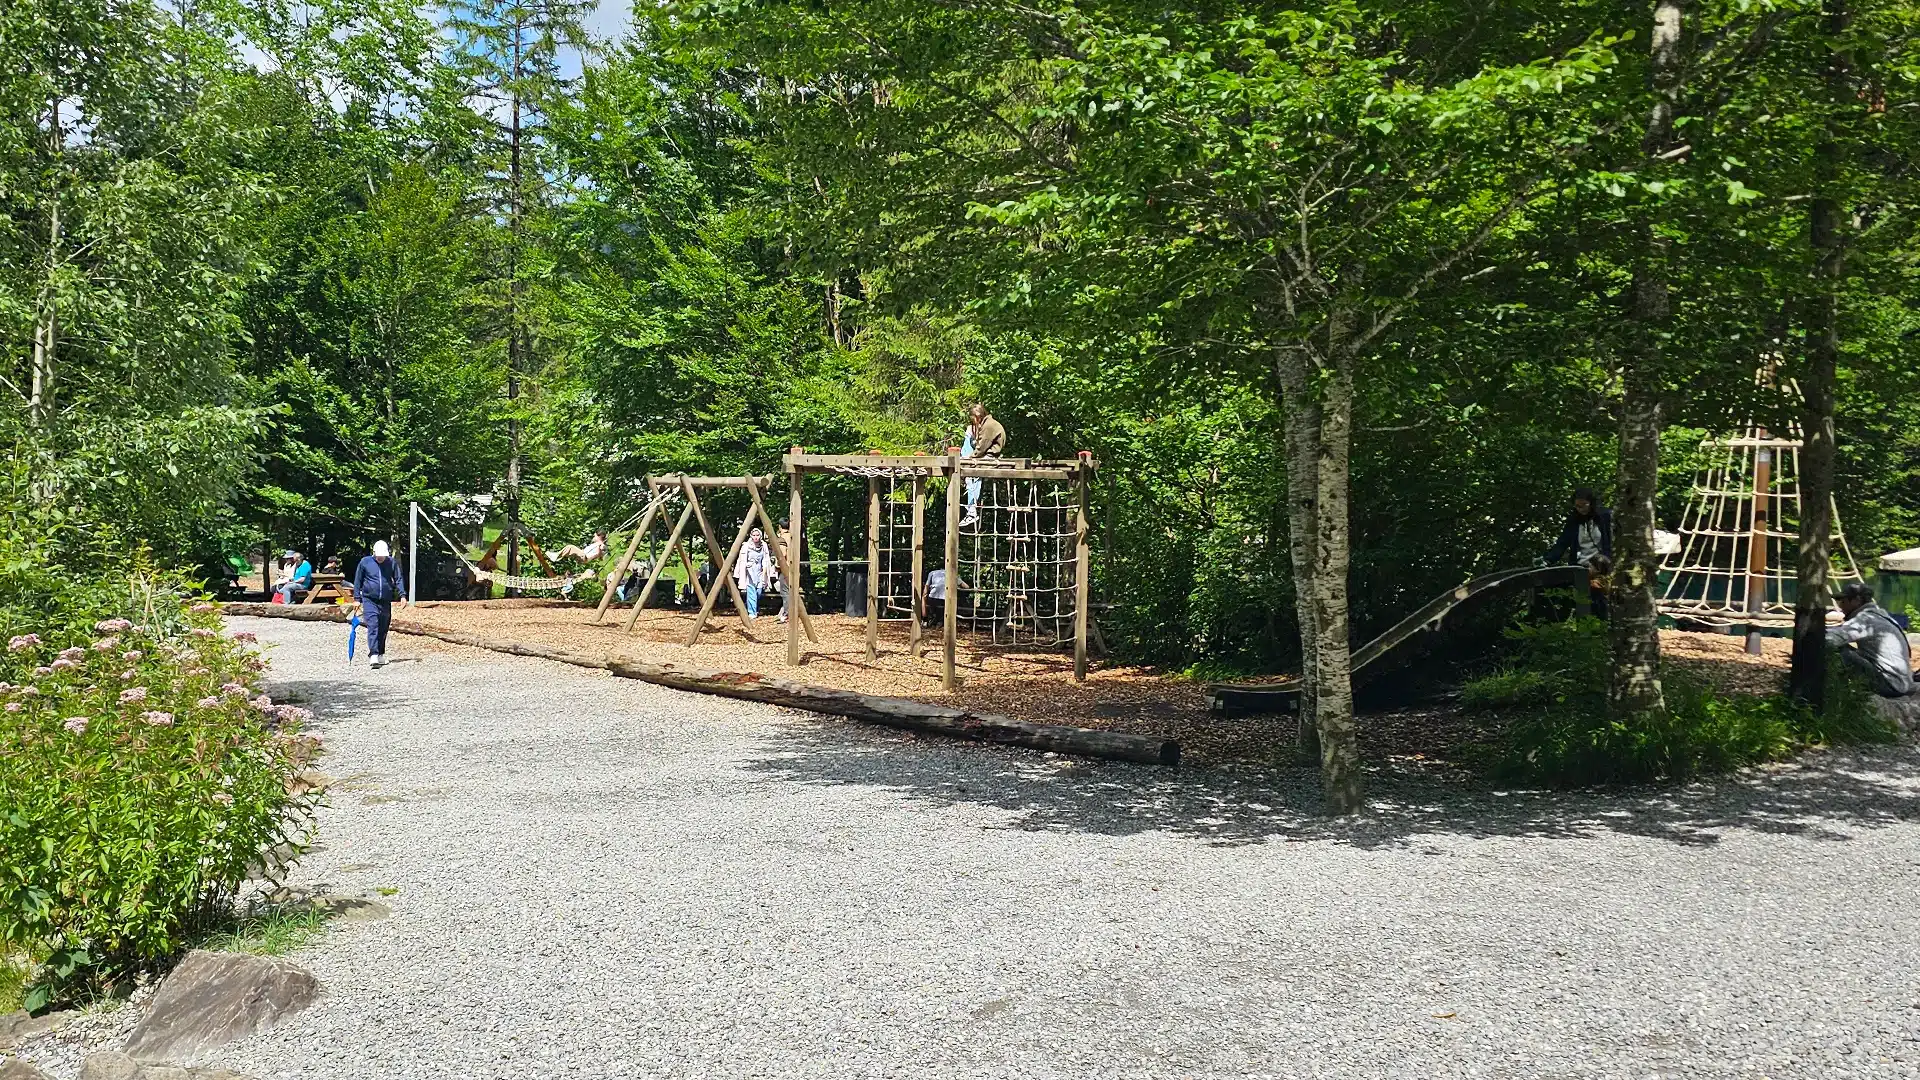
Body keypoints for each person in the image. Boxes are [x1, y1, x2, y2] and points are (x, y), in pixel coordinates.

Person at [1827, 582, 1915, 698]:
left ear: (1856, 600)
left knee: (1838, 650)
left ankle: (1831, 693)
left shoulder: (1865, 619)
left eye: (1843, 601)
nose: (1840, 606)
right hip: (1900, 682)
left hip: (1890, 684)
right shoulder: (1879, 615)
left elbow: (1831, 639)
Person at [353, 540, 408, 669]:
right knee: (373, 624)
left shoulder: (391, 562)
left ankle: (381, 653)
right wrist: (357, 598)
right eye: (378, 556)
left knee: (383, 627)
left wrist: (402, 595)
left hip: (385, 600)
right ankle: (373, 654)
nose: (380, 558)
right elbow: (358, 580)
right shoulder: (365, 562)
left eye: (383, 556)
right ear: (374, 553)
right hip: (369, 599)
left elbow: (398, 578)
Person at [959, 404, 1007, 528]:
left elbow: (981, 448)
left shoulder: (989, 426)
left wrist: (969, 459)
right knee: (968, 436)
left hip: (989, 456)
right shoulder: (986, 424)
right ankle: (971, 509)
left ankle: (971, 511)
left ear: (978, 416)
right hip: (986, 454)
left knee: (973, 475)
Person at [1544, 488, 1612, 568]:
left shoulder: (1605, 517)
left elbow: (1613, 541)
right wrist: (1548, 560)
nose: (1581, 508)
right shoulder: (1573, 522)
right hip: (1580, 567)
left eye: (1584, 505)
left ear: (1591, 503)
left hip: (1602, 566)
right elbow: (1562, 543)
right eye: (1577, 506)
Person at [733, 527, 777, 619]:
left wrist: (765, 571)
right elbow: (742, 560)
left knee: (759, 591)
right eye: (754, 535)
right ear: (751, 536)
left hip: (759, 570)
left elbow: (765, 559)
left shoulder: (763, 545)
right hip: (749, 570)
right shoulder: (746, 546)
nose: (756, 537)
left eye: (757, 535)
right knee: (751, 590)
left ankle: (754, 608)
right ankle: (751, 612)